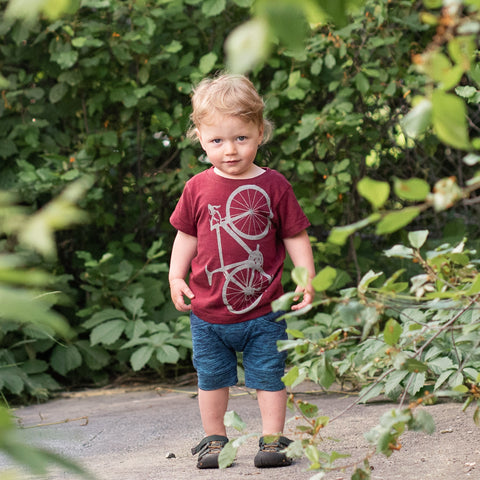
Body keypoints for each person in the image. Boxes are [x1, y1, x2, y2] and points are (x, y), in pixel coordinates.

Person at [169, 73, 315, 469]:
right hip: (207, 312)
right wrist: (176, 277)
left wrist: (305, 278)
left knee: (269, 375)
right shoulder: (197, 188)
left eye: (240, 138)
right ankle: (215, 438)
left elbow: (295, 235)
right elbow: (186, 236)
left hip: (264, 311)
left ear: (259, 132)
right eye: (217, 141)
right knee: (212, 379)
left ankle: (272, 439)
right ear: (200, 137)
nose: (229, 150)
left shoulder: (274, 185)